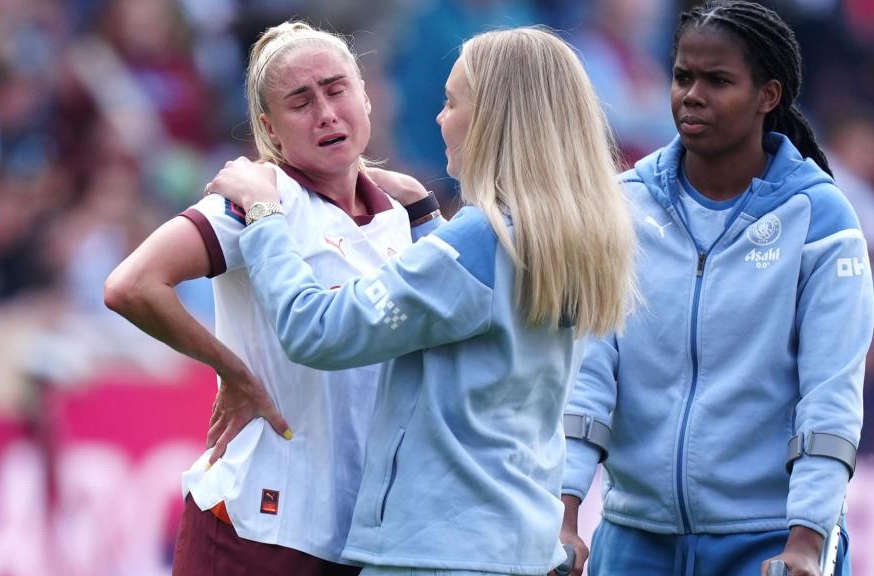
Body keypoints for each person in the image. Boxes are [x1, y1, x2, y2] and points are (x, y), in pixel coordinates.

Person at [204, 26, 638, 576]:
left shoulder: (481, 239)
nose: (439, 118)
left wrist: (265, 215)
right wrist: (429, 220)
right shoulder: (565, 233)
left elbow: (317, 330)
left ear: (494, 120)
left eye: (451, 102)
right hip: (519, 542)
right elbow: (473, 318)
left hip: (438, 552)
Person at [558, 2, 874, 576]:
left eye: (717, 80)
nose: (691, 95)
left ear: (769, 95)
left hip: (771, 544)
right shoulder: (623, 205)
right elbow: (588, 373)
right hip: (634, 538)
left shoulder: (822, 220)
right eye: (682, 77)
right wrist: (564, 512)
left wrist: (806, 540)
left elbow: (830, 397)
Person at [104, 21, 413, 576]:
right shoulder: (258, 200)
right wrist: (235, 373)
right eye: (301, 101)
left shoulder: (396, 214)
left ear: (365, 94)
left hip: (354, 532)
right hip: (258, 525)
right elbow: (131, 285)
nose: (325, 112)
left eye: (336, 88)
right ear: (269, 128)